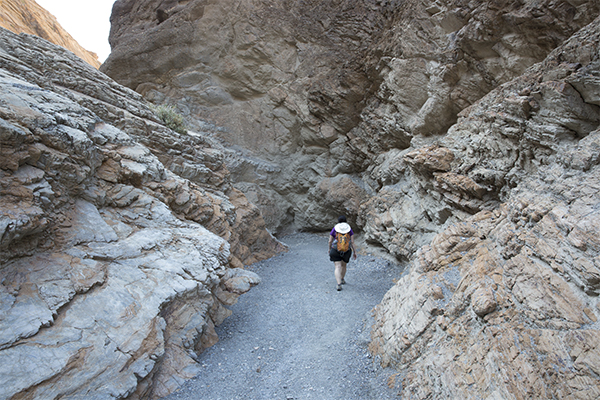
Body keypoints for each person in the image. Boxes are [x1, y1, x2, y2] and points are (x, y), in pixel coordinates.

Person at [328, 216, 357, 291]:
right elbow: (352, 242)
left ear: (338, 221)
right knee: (344, 266)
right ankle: (342, 278)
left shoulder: (335, 229)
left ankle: (339, 284)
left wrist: (329, 249)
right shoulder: (349, 230)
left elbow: (330, 241)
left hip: (335, 250)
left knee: (337, 266)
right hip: (346, 251)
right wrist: (354, 252)